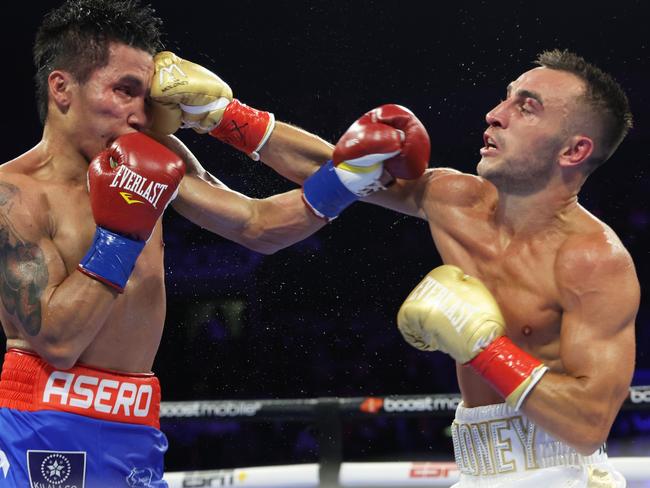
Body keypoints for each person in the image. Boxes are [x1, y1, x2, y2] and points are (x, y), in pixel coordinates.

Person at [0, 1, 430, 486]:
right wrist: (121, 234)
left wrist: (349, 178)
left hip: (136, 424)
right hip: (47, 425)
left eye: (147, 96)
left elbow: (256, 223)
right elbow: (56, 340)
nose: (143, 114)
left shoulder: (155, 156)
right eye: (124, 91)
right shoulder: (12, 194)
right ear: (62, 88)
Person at [265, 50, 638, 487]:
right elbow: (343, 170)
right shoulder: (456, 200)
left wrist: (485, 349)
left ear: (574, 150)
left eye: (526, 107)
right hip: (475, 472)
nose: (495, 115)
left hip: (560, 475)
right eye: (506, 98)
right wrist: (221, 114)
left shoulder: (593, 260)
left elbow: (586, 426)